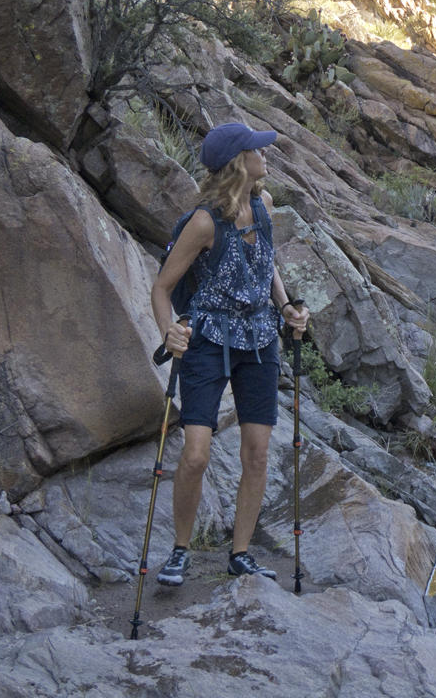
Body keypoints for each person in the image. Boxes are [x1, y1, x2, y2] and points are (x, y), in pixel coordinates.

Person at [149, 122, 309, 586]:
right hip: (207, 342)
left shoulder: (264, 205)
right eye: (258, 149)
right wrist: (168, 330)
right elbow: (162, 287)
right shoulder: (203, 222)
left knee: (256, 453)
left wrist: (286, 307)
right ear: (240, 162)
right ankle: (181, 549)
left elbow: (267, 265)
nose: (267, 154)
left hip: (260, 341)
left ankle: (240, 554)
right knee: (196, 454)